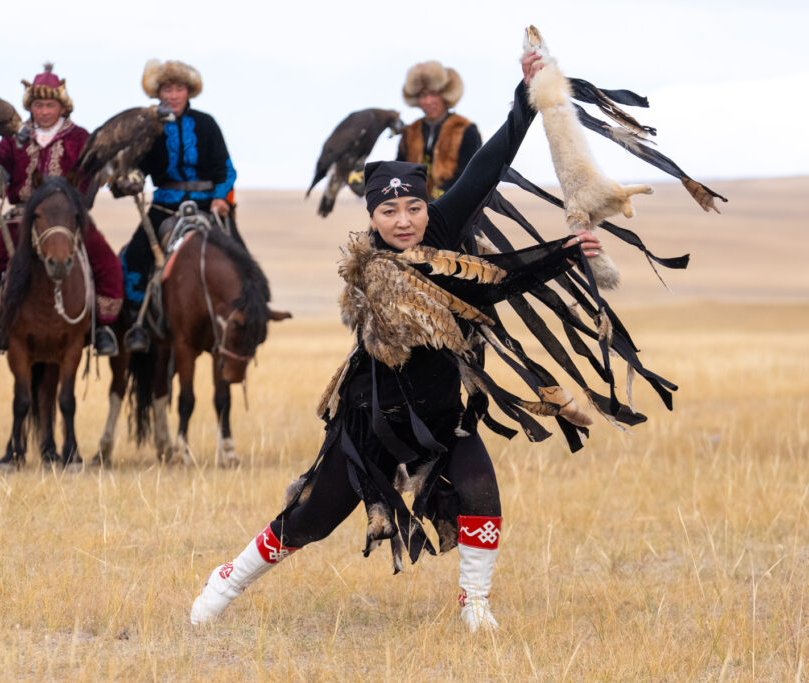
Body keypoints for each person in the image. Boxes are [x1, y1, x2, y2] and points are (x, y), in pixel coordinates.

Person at [189, 52, 608, 631]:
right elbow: (475, 293)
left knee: (481, 494)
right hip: (373, 419)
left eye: (413, 206)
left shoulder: (442, 233)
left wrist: (526, 93)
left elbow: (487, 175)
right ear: (373, 217)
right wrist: (550, 259)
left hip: (442, 415)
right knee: (310, 519)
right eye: (390, 211)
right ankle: (226, 581)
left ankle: (475, 605)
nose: (405, 219)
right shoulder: (372, 270)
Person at [0, 63, 122, 356]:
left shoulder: (80, 137)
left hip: (68, 218)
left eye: (49, 105)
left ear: (62, 107)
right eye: (38, 105)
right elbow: (0, 170)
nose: (43, 111)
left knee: (108, 263)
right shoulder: (13, 136)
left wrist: (109, 175)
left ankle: (103, 328)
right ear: (30, 107)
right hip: (22, 217)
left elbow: (92, 173)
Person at [121, 58, 238, 352]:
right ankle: (137, 322)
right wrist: (132, 178)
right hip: (164, 207)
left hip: (208, 206)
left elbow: (226, 168)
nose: (173, 95)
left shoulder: (207, 124)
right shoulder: (148, 127)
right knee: (133, 257)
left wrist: (222, 198)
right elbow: (136, 167)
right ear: (158, 93)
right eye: (167, 89)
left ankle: (246, 317)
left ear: (189, 92)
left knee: (242, 260)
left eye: (179, 89)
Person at [397, 60, 482, 200]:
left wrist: (441, 196)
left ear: (445, 95)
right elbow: (399, 169)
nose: (428, 101)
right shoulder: (410, 131)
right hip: (415, 208)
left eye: (433, 94)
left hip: (456, 205)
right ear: (416, 99)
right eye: (423, 95)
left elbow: (472, 173)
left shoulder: (465, 129)